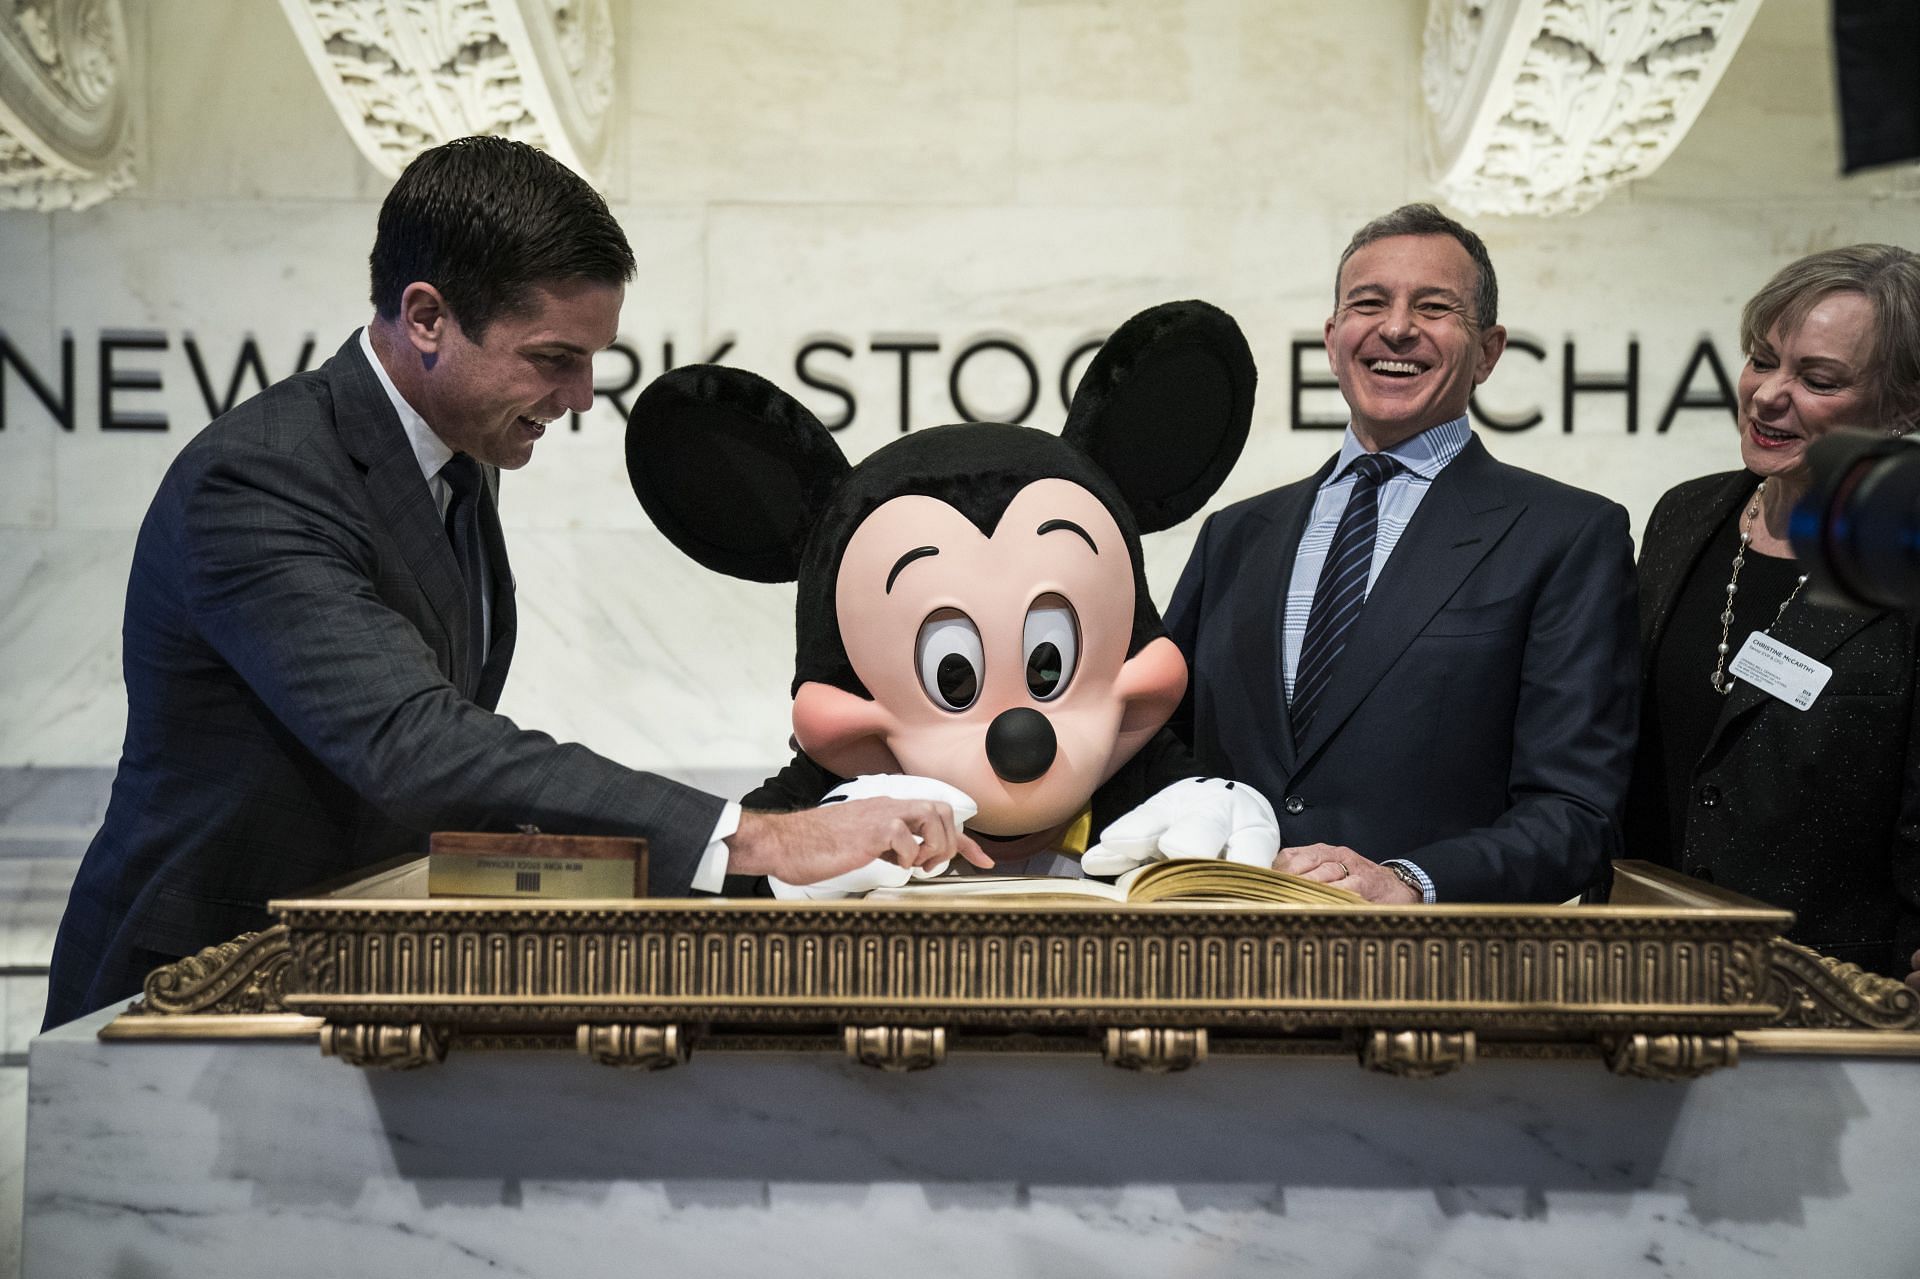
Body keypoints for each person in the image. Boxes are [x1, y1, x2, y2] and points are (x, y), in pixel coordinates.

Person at [44, 136, 982, 1029]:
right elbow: (417, 745)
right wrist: (760, 839)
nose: (578, 399)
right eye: (552, 359)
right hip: (187, 991)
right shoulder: (258, 478)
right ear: (425, 318)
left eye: (588, 363)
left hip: (337, 981)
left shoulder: (458, 455)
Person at [1165, 203, 1638, 905]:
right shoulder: (1234, 534)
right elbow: (1164, 752)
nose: (1395, 327)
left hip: (1429, 979)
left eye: (1435, 306)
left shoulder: (1567, 535)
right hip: (1225, 959)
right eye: (1369, 302)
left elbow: (1577, 813)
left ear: (1488, 350)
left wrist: (1412, 882)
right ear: (1332, 338)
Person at [1624, 244, 1920, 978]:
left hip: (1832, 993)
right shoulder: (1684, 514)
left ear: (1904, 405)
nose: (1766, 394)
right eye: (1762, 358)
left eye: (1817, 378)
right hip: (1642, 964)